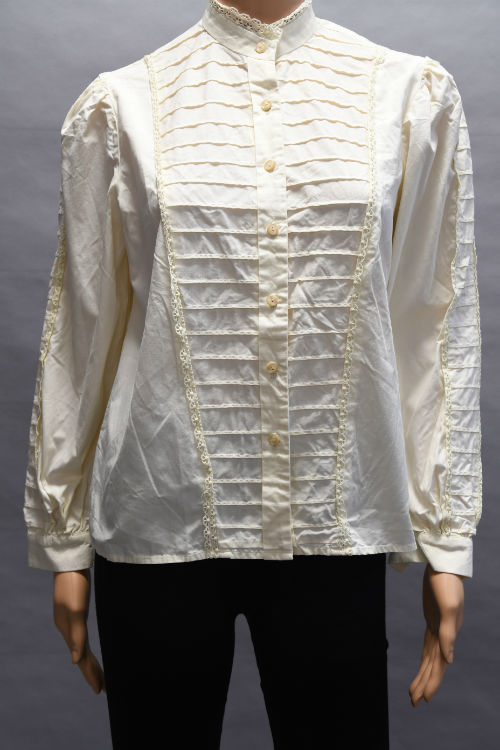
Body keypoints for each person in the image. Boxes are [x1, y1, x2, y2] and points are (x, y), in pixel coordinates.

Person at [24, 1, 482, 747]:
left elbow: (431, 323)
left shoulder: (408, 96)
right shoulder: (122, 104)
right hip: (160, 520)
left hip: (334, 530)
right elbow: (81, 332)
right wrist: (64, 537)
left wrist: (444, 536)